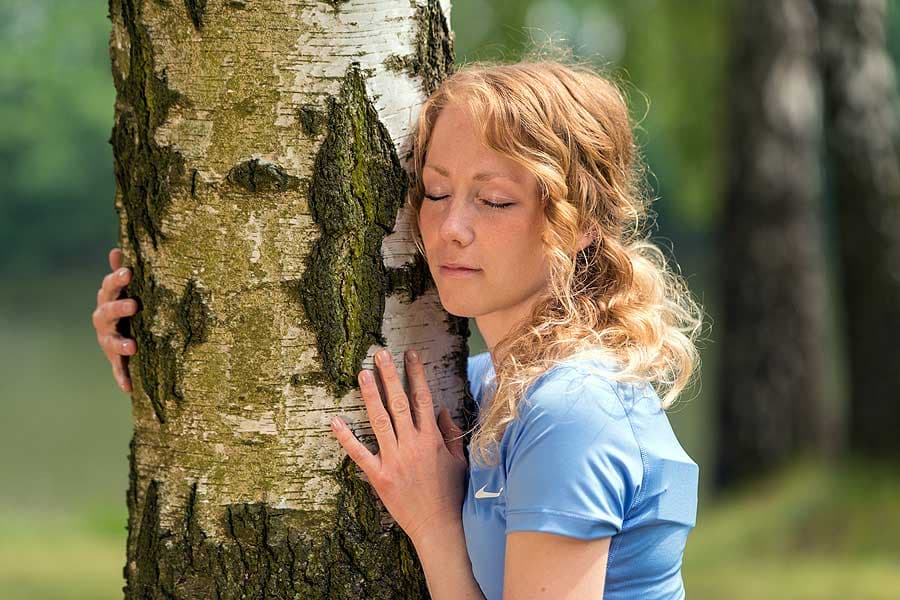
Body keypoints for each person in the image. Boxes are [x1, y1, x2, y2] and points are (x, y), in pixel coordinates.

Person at [92, 58, 704, 599]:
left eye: (493, 200)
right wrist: (153, 342)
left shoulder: (572, 408)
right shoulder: (491, 384)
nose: (450, 228)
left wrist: (434, 524)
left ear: (583, 222)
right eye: (435, 192)